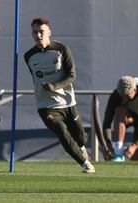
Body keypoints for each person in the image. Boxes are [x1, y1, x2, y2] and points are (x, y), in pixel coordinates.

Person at [24, 17, 95, 173]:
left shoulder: (62, 49)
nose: (38, 35)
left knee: (80, 137)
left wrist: (54, 86)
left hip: (67, 102)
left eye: (41, 31)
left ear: (49, 32)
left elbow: (71, 75)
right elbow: (35, 78)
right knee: (62, 133)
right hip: (46, 106)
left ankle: (81, 147)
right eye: (35, 32)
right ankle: (85, 164)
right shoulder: (28, 56)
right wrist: (45, 90)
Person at [103, 76, 138, 161]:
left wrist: (135, 145)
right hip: (127, 115)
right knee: (120, 111)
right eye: (122, 96)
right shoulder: (116, 94)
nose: (125, 99)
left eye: (127, 96)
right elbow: (106, 123)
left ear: (135, 90)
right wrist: (108, 145)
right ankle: (118, 153)